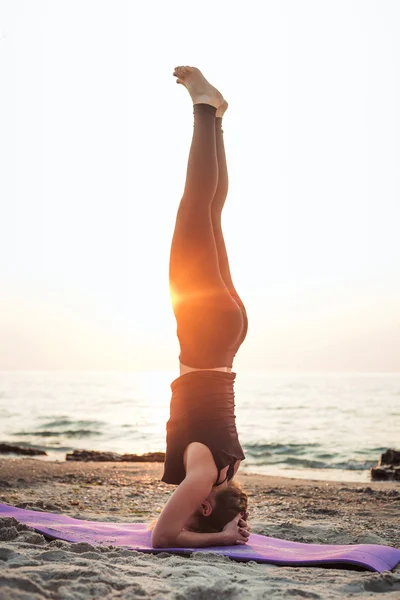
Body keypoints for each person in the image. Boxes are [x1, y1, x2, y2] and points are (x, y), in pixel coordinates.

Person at [151, 67, 250, 549]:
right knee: (194, 207)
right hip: (204, 329)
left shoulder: (229, 467)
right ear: (204, 506)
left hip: (229, 337)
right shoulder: (203, 475)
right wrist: (220, 539)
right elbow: (163, 537)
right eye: (195, 512)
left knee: (208, 212)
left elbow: (211, 511)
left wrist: (233, 524)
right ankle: (204, 108)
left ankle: (216, 117)